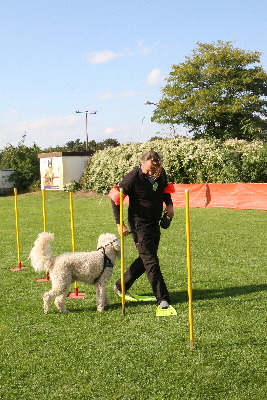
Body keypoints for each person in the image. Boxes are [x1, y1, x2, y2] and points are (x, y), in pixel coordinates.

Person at [109, 150, 174, 309]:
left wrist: (169, 205)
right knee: (151, 260)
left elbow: (165, 190)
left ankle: (120, 286)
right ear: (142, 163)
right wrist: (120, 224)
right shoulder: (132, 178)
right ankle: (162, 298)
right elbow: (115, 198)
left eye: (154, 170)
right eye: (149, 169)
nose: (152, 173)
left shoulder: (160, 173)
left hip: (154, 222)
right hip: (139, 224)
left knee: (146, 259)